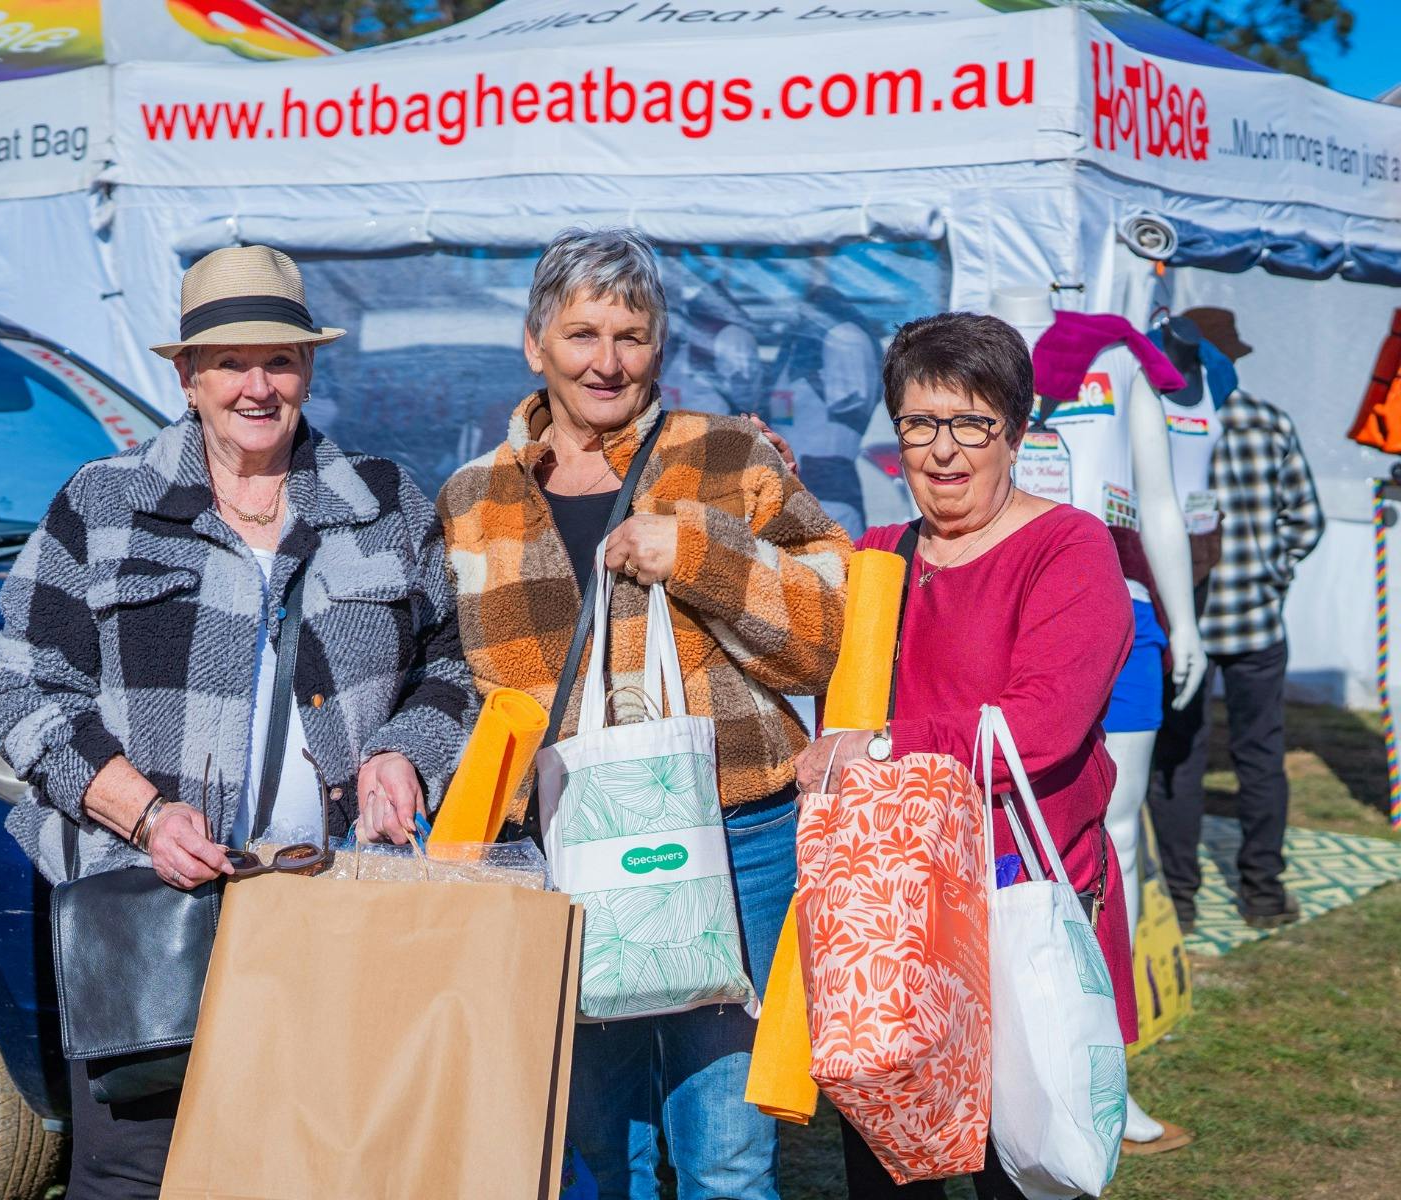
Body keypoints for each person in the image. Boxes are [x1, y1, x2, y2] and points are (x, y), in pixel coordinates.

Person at [0, 245, 477, 1198]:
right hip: (152, 907)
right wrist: (142, 814)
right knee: (139, 1171)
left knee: (326, 1162)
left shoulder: (382, 500)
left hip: (336, 907)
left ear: (309, 369)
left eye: (281, 360)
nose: (258, 385)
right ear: (187, 375)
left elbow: (451, 665)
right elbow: (25, 687)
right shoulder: (105, 504)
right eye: (230, 362)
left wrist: (403, 755)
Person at [437, 227, 852, 1200]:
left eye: (631, 334)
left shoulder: (729, 456)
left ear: (660, 345)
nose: (607, 361)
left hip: (731, 832)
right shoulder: (471, 498)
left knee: (723, 1157)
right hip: (563, 849)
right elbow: (461, 684)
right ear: (534, 344)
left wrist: (700, 554)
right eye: (581, 334)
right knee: (594, 1153)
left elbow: (825, 631)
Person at [795, 311, 1138, 1199]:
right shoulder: (879, 560)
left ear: (1015, 432)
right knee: (886, 1172)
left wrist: (881, 747)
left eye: (972, 424)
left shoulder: (1069, 548)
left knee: (1016, 1170)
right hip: (899, 924)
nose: (943, 451)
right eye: (919, 423)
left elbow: (1043, 727)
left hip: (1019, 904)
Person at [1147, 307, 1324, 931]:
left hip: (1181, 624)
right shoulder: (1268, 422)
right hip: (1255, 622)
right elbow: (1307, 522)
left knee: (1178, 761)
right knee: (1259, 755)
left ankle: (1180, 901)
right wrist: (1271, 576)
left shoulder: (1161, 421)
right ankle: (1263, 895)